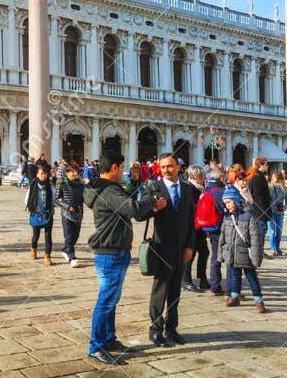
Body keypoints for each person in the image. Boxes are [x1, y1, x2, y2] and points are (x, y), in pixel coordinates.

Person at [83, 151, 152, 365]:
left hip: (113, 250)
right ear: (114, 167)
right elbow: (133, 208)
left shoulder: (106, 189)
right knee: (106, 301)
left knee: (111, 299)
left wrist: (132, 182)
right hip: (110, 252)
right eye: (122, 168)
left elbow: (124, 203)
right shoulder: (109, 190)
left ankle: (109, 339)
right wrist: (151, 199)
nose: (122, 171)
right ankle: (96, 345)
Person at [136, 153, 198, 347]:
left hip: (181, 248)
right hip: (161, 247)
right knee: (160, 290)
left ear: (178, 167)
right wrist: (155, 207)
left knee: (175, 291)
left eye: (169, 166)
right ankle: (155, 330)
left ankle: (171, 328)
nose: (166, 170)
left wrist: (190, 246)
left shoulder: (188, 189)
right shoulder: (154, 187)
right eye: (162, 167)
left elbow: (190, 220)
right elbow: (140, 215)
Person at [218, 185, 267, 312]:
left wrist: (256, 258)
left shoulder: (249, 216)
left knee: (251, 278)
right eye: (225, 203)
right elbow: (222, 237)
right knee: (235, 276)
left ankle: (259, 301)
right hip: (232, 253)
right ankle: (235, 296)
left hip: (246, 254)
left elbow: (256, 239)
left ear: (235, 200)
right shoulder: (227, 217)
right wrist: (221, 254)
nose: (227, 205)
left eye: (229, 202)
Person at [25, 162, 56, 264]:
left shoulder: (50, 187)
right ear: (37, 174)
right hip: (36, 214)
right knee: (35, 236)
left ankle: (47, 256)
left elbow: (54, 199)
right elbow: (27, 200)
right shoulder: (33, 187)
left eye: (45, 173)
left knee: (48, 236)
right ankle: (33, 249)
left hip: (48, 214)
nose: (44, 175)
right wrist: (33, 208)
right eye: (42, 173)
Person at [56, 163, 86, 266]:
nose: (74, 173)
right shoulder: (61, 184)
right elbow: (56, 200)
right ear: (66, 173)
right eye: (72, 171)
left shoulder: (81, 184)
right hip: (66, 213)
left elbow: (85, 198)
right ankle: (72, 257)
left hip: (78, 212)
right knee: (68, 235)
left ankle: (65, 250)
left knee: (75, 236)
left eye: (76, 171)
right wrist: (67, 206)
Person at [266, 171, 287, 257]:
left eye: (274, 177)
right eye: (272, 177)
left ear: (279, 178)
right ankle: (273, 248)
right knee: (272, 231)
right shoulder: (269, 187)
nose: (272, 178)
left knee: (279, 231)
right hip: (270, 212)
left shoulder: (285, 188)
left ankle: (278, 248)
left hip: (280, 213)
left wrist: (284, 208)